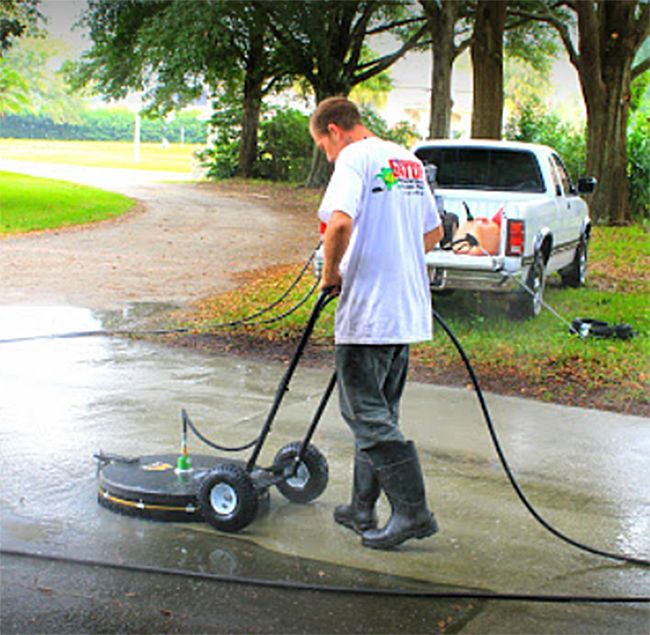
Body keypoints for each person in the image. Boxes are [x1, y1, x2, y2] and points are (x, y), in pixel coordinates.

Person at [309, 96, 444, 550]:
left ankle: (413, 513)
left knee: (365, 414)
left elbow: (339, 225)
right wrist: (394, 256)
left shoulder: (353, 158)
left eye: (322, 147)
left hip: (369, 311)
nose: (327, 156)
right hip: (405, 310)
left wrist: (331, 276)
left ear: (333, 130)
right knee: (379, 415)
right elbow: (433, 232)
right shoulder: (406, 159)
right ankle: (361, 508)